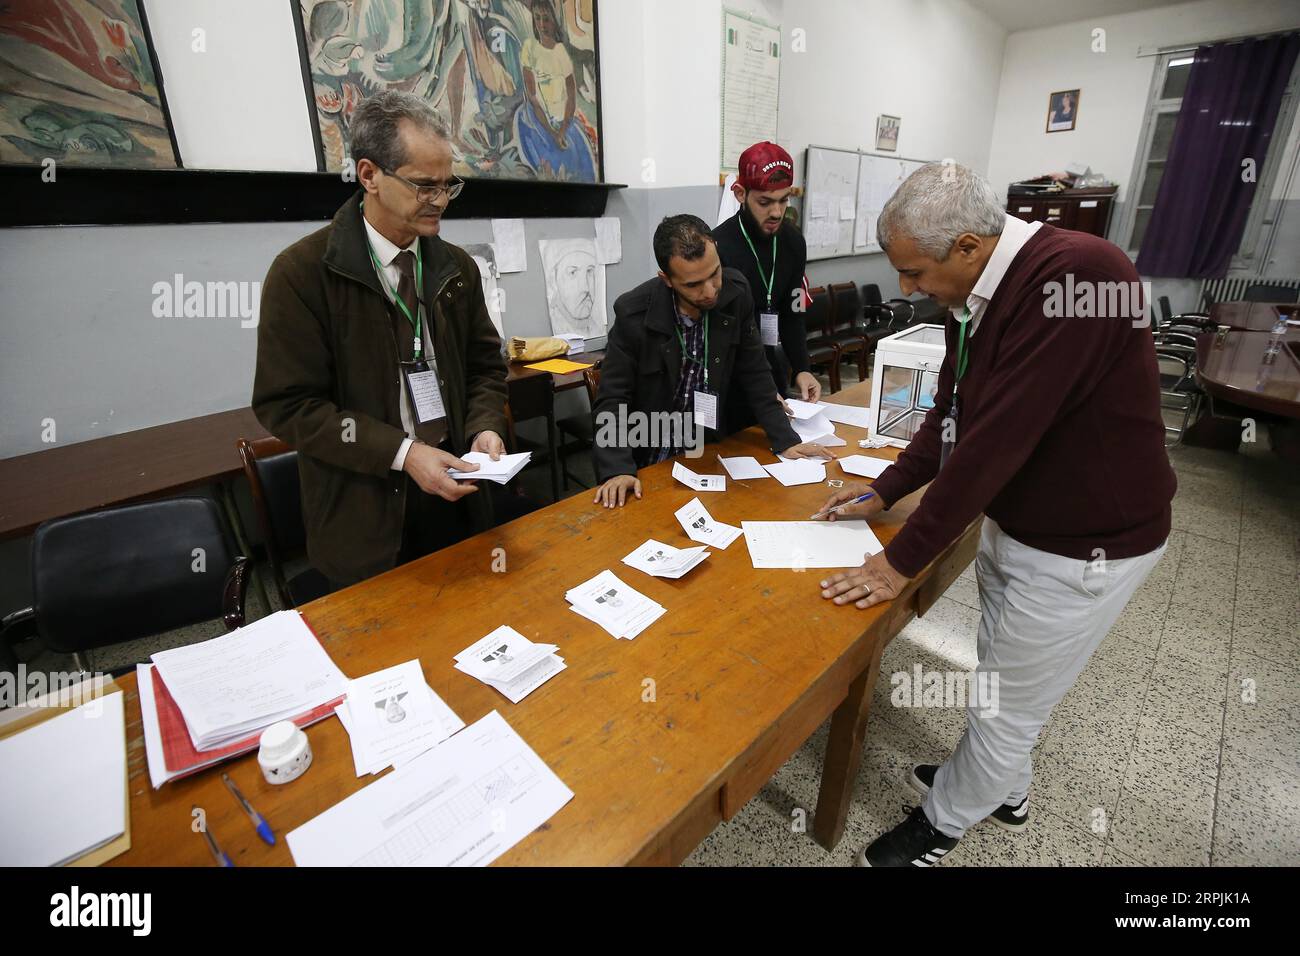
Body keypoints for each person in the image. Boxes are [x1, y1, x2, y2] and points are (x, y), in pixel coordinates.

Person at [814, 162, 1175, 867]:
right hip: (1023, 523)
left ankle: (942, 822)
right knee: (999, 676)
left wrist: (898, 561)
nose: (906, 289)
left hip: (1088, 545)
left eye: (915, 273)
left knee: (1007, 704)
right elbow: (950, 416)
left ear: (969, 247)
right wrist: (886, 488)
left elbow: (993, 442)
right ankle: (1001, 788)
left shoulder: (1080, 278)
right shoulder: (977, 296)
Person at [253, 90, 509, 590]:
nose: (439, 201)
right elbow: (289, 405)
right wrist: (403, 453)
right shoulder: (301, 274)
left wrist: (483, 427)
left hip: (456, 490)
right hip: (366, 509)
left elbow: (485, 366)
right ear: (368, 175)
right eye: (423, 186)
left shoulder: (455, 267)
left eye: (447, 185)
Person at [591, 214, 831, 508]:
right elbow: (613, 398)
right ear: (666, 279)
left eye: (714, 273)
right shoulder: (633, 314)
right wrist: (617, 469)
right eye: (693, 285)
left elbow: (755, 371)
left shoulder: (735, 293)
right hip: (647, 452)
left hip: (706, 448)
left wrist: (786, 439)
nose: (710, 291)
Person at [713, 141, 820, 428]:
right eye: (765, 202)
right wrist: (760, 390)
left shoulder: (793, 243)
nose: (776, 212)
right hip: (728, 377)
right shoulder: (717, 247)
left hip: (772, 371)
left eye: (784, 200)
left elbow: (793, 311)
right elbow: (716, 335)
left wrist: (802, 368)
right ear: (740, 194)